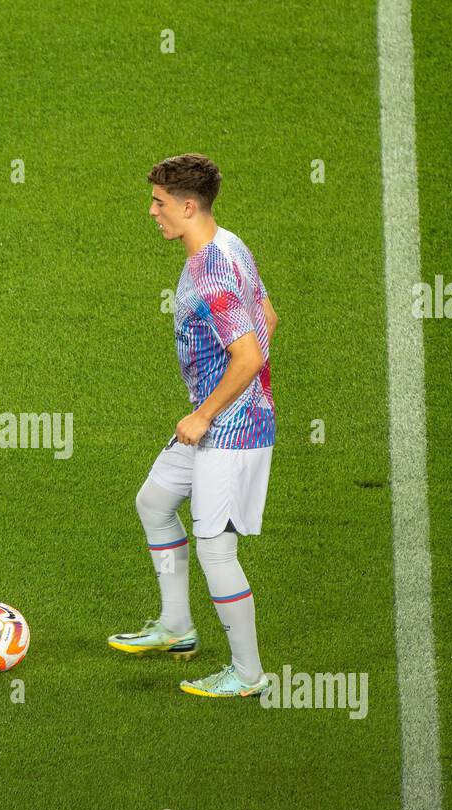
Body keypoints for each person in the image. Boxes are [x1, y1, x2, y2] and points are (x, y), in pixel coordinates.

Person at [107, 153, 279, 699]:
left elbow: (249, 354)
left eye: (159, 203)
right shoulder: (228, 242)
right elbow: (269, 317)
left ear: (187, 205)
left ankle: (249, 674)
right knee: (154, 504)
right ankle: (177, 627)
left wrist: (208, 412)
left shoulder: (212, 268)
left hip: (230, 430)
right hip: (217, 419)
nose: (151, 211)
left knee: (216, 551)